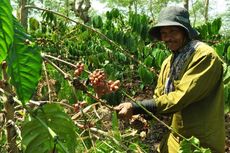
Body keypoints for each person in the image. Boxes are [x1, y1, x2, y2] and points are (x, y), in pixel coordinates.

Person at [87, 6, 225, 153]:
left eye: (173, 31)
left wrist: (136, 107)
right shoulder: (168, 62)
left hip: (199, 143)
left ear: (185, 31)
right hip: (173, 140)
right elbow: (160, 99)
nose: (168, 37)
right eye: (164, 33)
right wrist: (139, 114)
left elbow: (180, 97)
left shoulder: (204, 56)